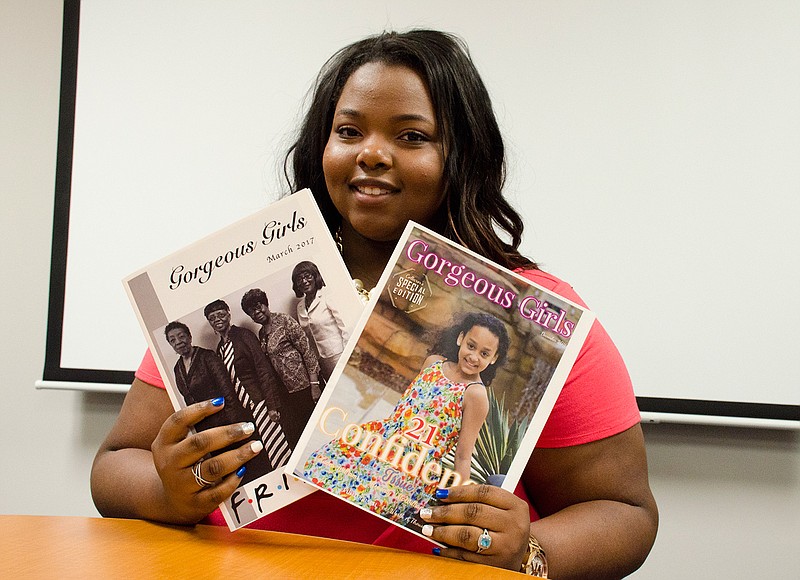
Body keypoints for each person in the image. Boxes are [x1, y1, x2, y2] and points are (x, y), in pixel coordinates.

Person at [91, 29, 658, 578]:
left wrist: (529, 551)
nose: (373, 154)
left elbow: (625, 514)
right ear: (323, 146)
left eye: (411, 137)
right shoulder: (249, 279)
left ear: (464, 155)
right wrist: (165, 490)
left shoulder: (532, 313)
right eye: (349, 131)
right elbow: (115, 466)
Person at [301, 312, 508, 533]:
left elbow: (463, 456)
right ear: (460, 338)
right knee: (325, 474)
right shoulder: (433, 364)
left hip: (410, 469)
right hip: (381, 444)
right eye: (471, 346)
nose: (474, 356)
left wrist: (455, 511)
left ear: (493, 359)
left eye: (484, 353)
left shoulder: (475, 395)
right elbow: (405, 410)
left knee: (361, 517)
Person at [164, 321, 271, 485]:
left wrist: (234, 424)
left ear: (189, 337)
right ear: (170, 345)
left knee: (250, 462)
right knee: (229, 469)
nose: (178, 341)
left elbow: (227, 389)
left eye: (181, 336)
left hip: (228, 420)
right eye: (172, 340)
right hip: (207, 428)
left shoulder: (207, 357)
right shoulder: (177, 369)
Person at [204, 299, 291, 469]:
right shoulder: (220, 349)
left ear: (229, 314)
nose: (218, 320)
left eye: (221, 314)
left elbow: (263, 370)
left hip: (261, 402)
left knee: (277, 446)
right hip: (246, 408)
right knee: (264, 449)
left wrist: (272, 406)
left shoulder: (243, 336)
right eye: (213, 318)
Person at [240, 288, 320, 449]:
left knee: (319, 428)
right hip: (288, 394)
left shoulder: (284, 320)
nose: (256, 312)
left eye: (258, 306)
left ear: (266, 304)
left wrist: (315, 385)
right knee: (305, 436)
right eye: (251, 312)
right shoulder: (262, 334)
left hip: (306, 386)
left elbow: (307, 350)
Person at [290, 261, 349, 383]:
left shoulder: (327, 296)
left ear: (315, 276)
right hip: (322, 361)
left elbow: (344, 326)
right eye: (299, 279)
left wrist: (348, 355)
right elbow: (307, 336)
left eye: (307, 276)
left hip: (339, 354)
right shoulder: (300, 307)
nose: (304, 281)